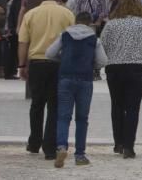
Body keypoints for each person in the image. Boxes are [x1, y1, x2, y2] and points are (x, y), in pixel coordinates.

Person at [19, 0, 76, 160]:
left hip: (37, 63)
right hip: (59, 64)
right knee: (55, 105)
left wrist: (21, 65)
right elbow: (74, 39)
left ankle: (34, 142)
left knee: (37, 104)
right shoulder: (67, 14)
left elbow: (23, 42)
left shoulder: (31, 14)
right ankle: (50, 146)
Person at [46, 11, 108, 168]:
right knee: (82, 118)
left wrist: (61, 59)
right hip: (85, 80)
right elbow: (103, 61)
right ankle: (80, 155)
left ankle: (61, 147)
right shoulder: (94, 39)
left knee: (63, 117)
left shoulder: (65, 35)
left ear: (75, 21)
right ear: (89, 23)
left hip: (65, 78)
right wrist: (92, 65)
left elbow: (49, 53)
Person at [100, 0, 142, 159]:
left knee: (117, 106)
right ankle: (128, 146)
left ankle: (118, 142)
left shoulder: (111, 24)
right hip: (136, 68)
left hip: (114, 68)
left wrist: (100, 65)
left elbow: (102, 45)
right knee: (132, 107)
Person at [4, 0, 27, 79]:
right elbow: (11, 15)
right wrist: (10, 28)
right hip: (15, 30)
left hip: (25, 29)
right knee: (13, 51)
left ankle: (22, 70)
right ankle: (11, 72)